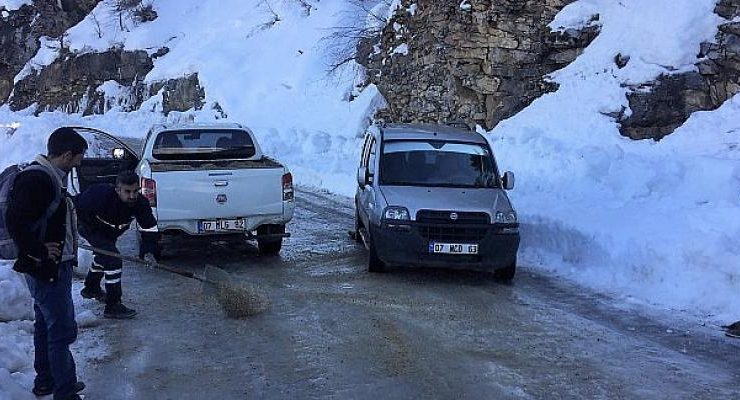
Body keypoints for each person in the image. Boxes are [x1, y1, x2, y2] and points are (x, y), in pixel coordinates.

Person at [6, 127, 88, 400]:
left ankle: (47, 380)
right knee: (62, 331)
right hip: (46, 268)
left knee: (45, 325)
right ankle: (65, 392)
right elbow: (16, 221)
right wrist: (39, 251)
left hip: (46, 266)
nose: (79, 164)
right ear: (66, 155)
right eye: (78, 158)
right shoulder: (38, 180)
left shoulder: (47, 176)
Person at [76, 170, 157, 319]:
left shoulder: (140, 203)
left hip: (111, 232)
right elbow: (76, 207)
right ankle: (113, 305)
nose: (132, 196)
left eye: (135, 191)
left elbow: (149, 227)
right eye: (127, 191)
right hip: (89, 227)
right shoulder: (99, 195)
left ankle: (91, 288)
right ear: (117, 189)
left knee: (104, 256)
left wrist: (148, 250)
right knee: (113, 259)